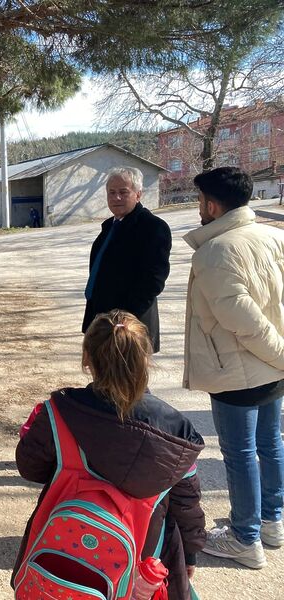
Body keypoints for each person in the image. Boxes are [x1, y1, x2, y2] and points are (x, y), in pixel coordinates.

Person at [15, 310, 205, 600]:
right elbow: (186, 501)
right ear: (145, 362)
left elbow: (29, 466)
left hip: (65, 547)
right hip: (146, 553)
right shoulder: (177, 432)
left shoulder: (60, 412)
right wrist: (190, 552)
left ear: (87, 359)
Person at [184, 166, 284, 569]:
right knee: (271, 444)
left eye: (199, 202)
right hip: (271, 368)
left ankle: (245, 538)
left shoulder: (215, 251)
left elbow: (244, 322)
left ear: (211, 204)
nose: (199, 210)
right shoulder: (274, 237)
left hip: (241, 371)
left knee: (241, 453)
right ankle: (271, 521)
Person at [82, 167, 172, 353]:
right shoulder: (110, 226)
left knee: (129, 380)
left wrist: (123, 321)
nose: (116, 198)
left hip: (128, 327)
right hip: (102, 321)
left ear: (138, 194)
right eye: (111, 193)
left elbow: (152, 282)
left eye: (123, 192)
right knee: (104, 379)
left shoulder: (152, 227)